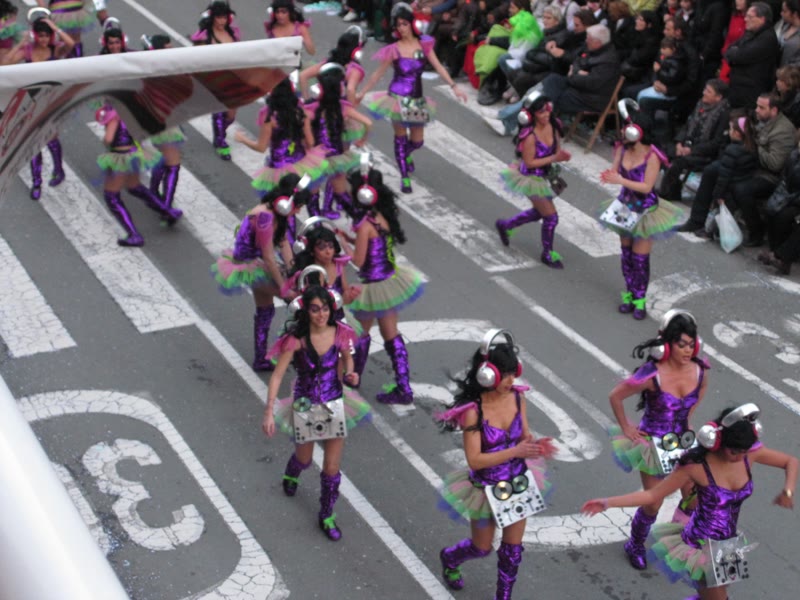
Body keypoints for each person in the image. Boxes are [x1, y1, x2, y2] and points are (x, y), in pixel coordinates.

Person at [583, 403, 798, 600]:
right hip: (701, 545)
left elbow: (791, 461)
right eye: (734, 451)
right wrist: (608, 502)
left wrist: (787, 491)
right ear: (718, 442)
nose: (740, 456)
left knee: (718, 593)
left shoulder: (749, 454)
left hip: (728, 542)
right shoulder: (695, 467)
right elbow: (652, 495)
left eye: (744, 451)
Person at [435, 329, 554, 599]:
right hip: (486, 489)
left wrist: (536, 445)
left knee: (512, 552)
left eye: (514, 373)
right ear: (488, 374)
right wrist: (516, 450)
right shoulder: (472, 411)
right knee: (482, 547)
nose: (511, 380)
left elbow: (524, 435)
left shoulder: (518, 397)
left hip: (517, 482)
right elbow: (475, 460)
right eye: (506, 374)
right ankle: (450, 558)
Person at [262, 285, 370, 542]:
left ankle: (326, 515)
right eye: (315, 309)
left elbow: (347, 358)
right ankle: (292, 472)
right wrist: (269, 411)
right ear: (306, 312)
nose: (321, 314)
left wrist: (351, 373)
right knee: (305, 459)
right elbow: (277, 376)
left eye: (324, 309)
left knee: (331, 468)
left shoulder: (341, 332)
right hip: (305, 405)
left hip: (334, 402)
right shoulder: (295, 340)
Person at [608, 310, 710, 570]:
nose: (687, 350)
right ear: (667, 345)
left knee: (692, 499)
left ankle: (676, 542)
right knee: (653, 503)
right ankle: (635, 544)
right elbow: (616, 396)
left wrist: (688, 419)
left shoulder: (700, 371)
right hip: (653, 445)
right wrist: (627, 428)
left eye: (691, 344)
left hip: (684, 443)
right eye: (681, 344)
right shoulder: (652, 374)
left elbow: (698, 395)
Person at [358, 2, 467, 194]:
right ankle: (404, 177)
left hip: (416, 99)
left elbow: (438, 66)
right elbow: (377, 74)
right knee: (400, 139)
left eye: (404, 24)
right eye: (398, 25)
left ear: (411, 23)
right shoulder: (394, 49)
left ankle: (405, 155)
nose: (401, 28)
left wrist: (454, 86)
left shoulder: (424, 44)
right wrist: (361, 93)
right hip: (397, 99)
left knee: (417, 141)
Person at [345, 165, 425, 404]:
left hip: (373, 287)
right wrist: (350, 238)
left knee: (359, 334)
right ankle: (403, 386)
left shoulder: (364, 225)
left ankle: (352, 378)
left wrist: (343, 247)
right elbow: (374, 244)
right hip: (390, 282)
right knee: (391, 335)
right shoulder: (382, 216)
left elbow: (359, 261)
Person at [212, 174, 308, 370]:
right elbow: (269, 257)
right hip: (251, 267)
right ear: (285, 202)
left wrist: (292, 269)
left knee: (265, 310)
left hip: (256, 264)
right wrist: (284, 288)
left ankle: (260, 359)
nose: (298, 211)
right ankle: (295, 353)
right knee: (299, 303)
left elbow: (283, 242)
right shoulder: (265, 217)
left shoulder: (277, 212)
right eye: (298, 206)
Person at [598, 101, 684, 320]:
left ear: (637, 132)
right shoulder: (621, 148)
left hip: (645, 210)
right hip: (624, 207)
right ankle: (629, 294)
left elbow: (646, 187)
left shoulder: (652, 156)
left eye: (627, 128)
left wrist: (619, 180)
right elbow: (614, 171)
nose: (622, 131)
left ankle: (640, 300)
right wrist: (610, 175)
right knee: (626, 255)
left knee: (640, 259)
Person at [494, 91, 572, 268]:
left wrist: (561, 156)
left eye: (548, 109)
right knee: (551, 217)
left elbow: (556, 150)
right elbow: (529, 163)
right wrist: (555, 158)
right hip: (530, 178)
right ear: (532, 114)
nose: (546, 114)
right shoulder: (529, 136)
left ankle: (505, 226)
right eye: (541, 111)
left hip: (545, 175)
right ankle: (547, 254)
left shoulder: (554, 125)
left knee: (539, 212)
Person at [2, 10, 74, 200]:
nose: (43, 39)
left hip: (50, 100)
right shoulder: (28, 50)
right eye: (40, 35)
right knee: (32, 143)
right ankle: (37, 182)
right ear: (35, 35)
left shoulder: (55, 50)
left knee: (51, 138)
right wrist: (20, 43)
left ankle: (59, 170)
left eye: (46, 35)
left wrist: (54, 27)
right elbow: (6, 63)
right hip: (32, 102)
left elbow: (70, 44)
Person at [236, 78, 328, 196]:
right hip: (301, 164)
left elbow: (261, 147)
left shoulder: (270, 118)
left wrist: (242, 139)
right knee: (298, 199)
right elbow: (310, 142)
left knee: (277, 202)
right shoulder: (300, 113)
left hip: (278, 170)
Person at [305, 63, 372, 220]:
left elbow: (308, 139)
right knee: (341, 194)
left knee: (312, 196)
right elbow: (368, 123)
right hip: (337, 158)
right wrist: (362, 140)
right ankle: (362, 220)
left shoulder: (311, 110)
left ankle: (316, 225)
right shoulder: (344, 108)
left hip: (316, 159)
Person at [658, 79, 730, 202]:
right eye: (705, 89)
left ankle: (665, 193)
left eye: (708, 91)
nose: (704, 93)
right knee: (663, 152)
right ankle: (672, 189)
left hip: (705, 153)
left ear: (718, 97)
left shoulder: (724, 114)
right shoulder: (700, 104)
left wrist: (691, 150)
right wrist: (679, 143)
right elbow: (687, 126)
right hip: (688, 144)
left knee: (679, 162)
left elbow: (716, 143)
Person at [191, 1, 241, 161]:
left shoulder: (233, 33)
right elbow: (196, 58)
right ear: (212, 18)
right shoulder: (205, 36)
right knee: (219, 111)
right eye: (218, 17)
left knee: (231, 115)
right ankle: (220, 142)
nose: (222, 21)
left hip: (232, 77)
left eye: (224, 18)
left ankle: (220, 134)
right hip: (214, 79)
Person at [142, 34, 186, 213]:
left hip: (161, 121)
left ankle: (153, 193)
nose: (172, 50)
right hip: (165, 122)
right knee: (173, 164)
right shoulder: (160, 72)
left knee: (164, 160)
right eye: (169, 48)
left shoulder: (152, 69)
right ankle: (166, 208)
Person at [540, 24, 621, 118]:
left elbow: (592, 83)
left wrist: (572, 75)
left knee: (554, 97)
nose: (586, 41)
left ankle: (546, 118)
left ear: (597, 42)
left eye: (589, 39)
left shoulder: (607, 61)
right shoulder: (592, 49)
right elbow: (577, 61)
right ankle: (546, 116)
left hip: (591, 99)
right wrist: (578, 72)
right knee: (553, 79)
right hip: (580, 88)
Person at [725, 2, 780, 108]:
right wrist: (734, 54)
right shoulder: (750, 32)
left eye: (750, 17)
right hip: (738, 88)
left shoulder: (767, 39)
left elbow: (740, 56)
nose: (745, 19)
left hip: (750, 94)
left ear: (762, 19)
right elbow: (729, 50)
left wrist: (735, 54)